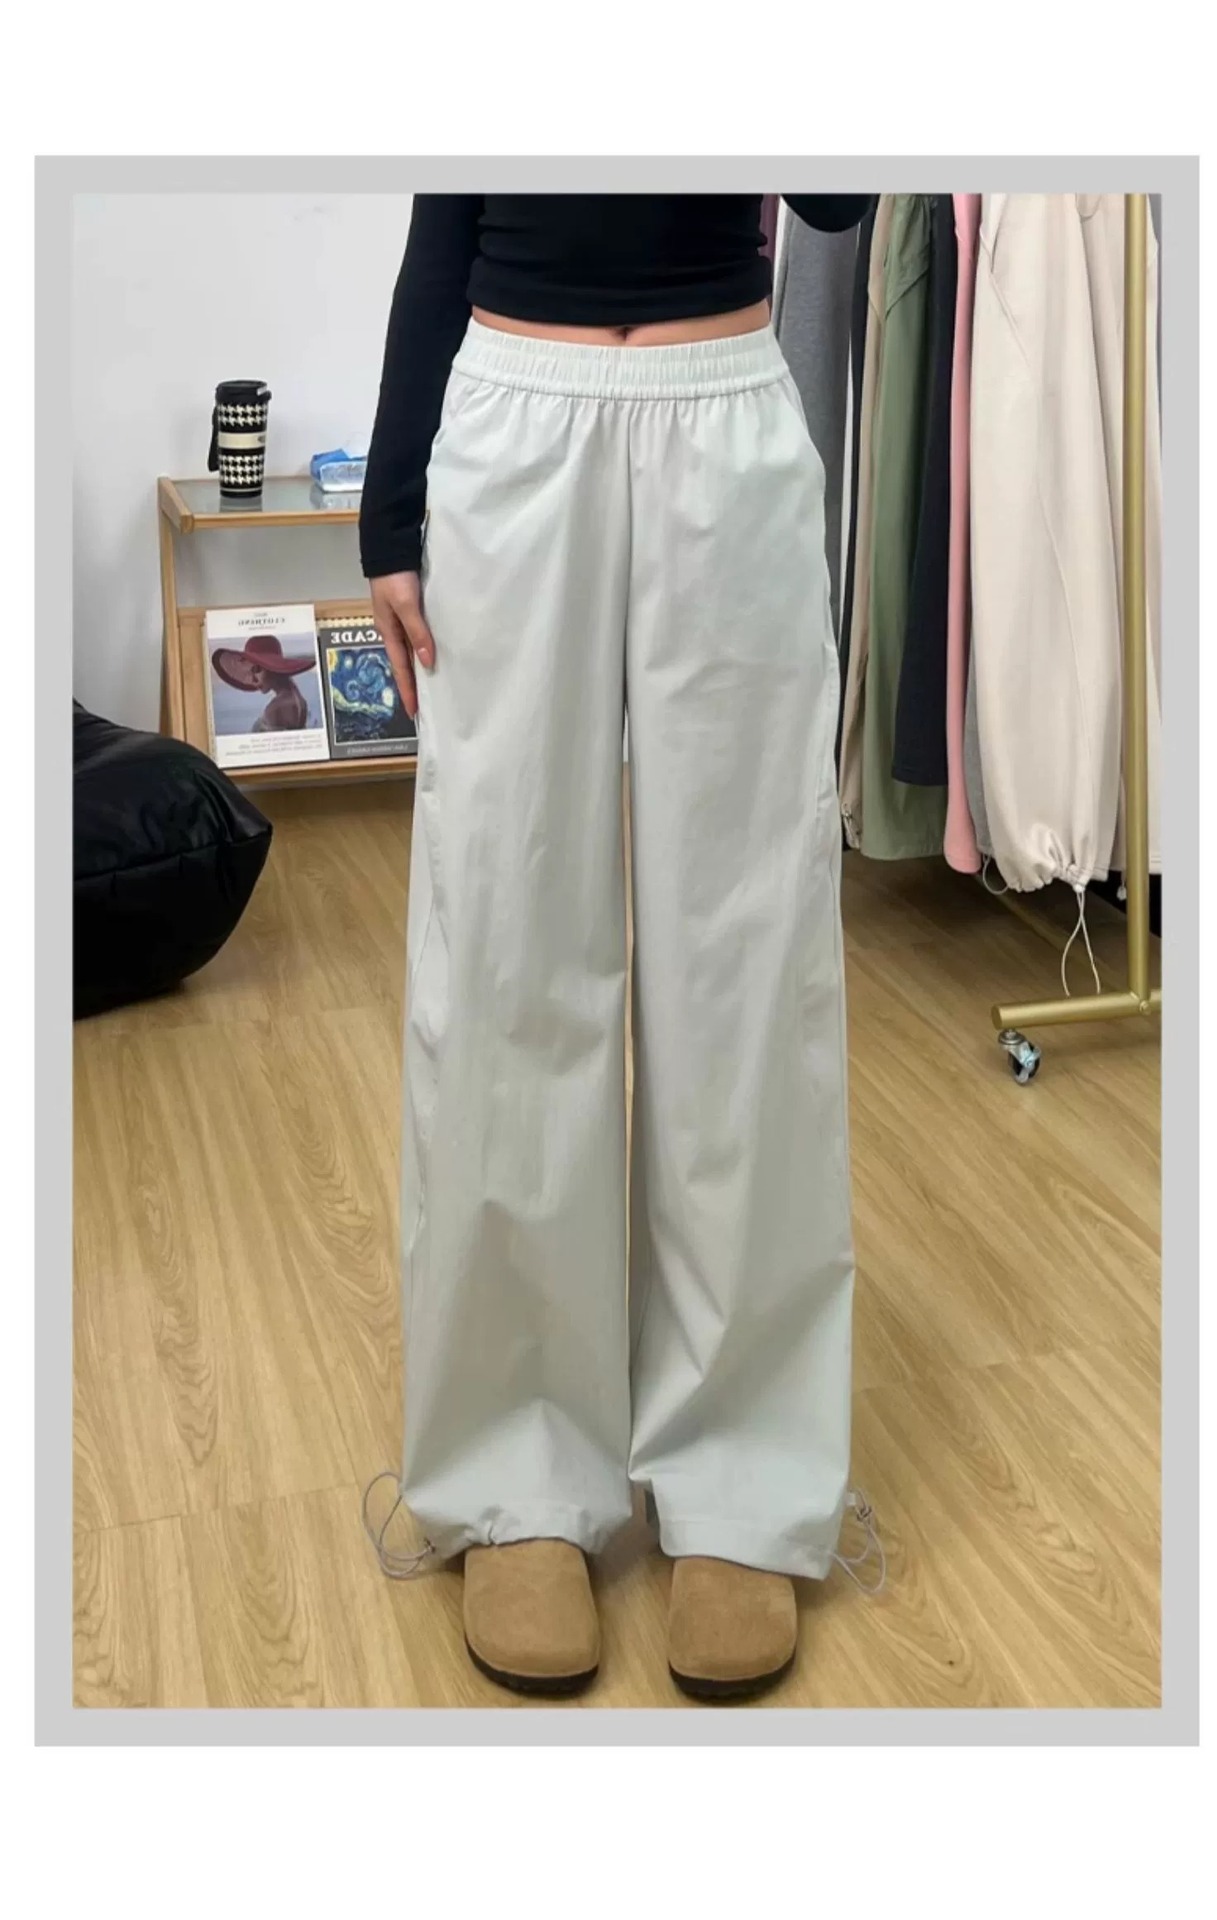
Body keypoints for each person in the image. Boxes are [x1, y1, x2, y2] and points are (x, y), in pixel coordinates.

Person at [361, 193, 873, 1701]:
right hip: (514, 418)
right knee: (505, 948)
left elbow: (838, 195)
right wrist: (393, 504)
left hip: (727, 409)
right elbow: (446, 207)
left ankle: (743, 1471)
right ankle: (514, 1467)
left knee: (747, 965)